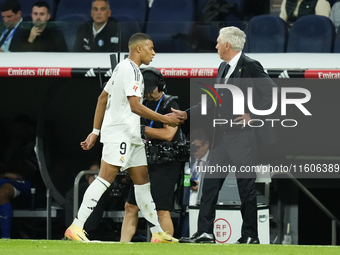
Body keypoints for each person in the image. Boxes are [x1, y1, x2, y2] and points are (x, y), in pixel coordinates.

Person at [64, 32, 182, 243]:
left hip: (132, 135)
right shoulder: (133, 72)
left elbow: (102, 98)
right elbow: (136, 106)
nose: (153, 52)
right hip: (120, 134)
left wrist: (95, 131)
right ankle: (76, 226)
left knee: (143, 182)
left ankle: (157, 233)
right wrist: (165, 118)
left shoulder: (121, 67)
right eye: (151, 48)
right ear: (139, 49)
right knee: (104, 179)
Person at [173, 26, 278, 244]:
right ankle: (204, 232)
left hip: (242, 139)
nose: (216, 45)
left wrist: (254, 114)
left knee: (245, 188)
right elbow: (213, 101)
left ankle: (250, 236)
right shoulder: (223, 67)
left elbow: (272, 92)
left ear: (227, 45)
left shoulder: (250, 66)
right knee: (209, 185)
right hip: (221, 140)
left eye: (218, 41)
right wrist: (186, 114)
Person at [120, 67, 184, 242]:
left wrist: (142, 129)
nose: (147, 94)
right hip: (144, 160)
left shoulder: (170, 104)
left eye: (150, 90)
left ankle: (164, 248)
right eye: (144, 90)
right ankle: (122, 246)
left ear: (160, 86)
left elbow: (168, 135)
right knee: (130, 206)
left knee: (161, 209)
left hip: (166, 163)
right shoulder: (140, 103)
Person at [0, 115, 38, 239]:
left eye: (22, 128)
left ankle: (5, 240)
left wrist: (17, 149)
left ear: (30, 129)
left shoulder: (34, 147)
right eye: (16, 129)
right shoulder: (9, 148)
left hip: (24, 183)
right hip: (4, 178)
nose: (18, 132)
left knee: (2, 193)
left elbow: (24, 172)